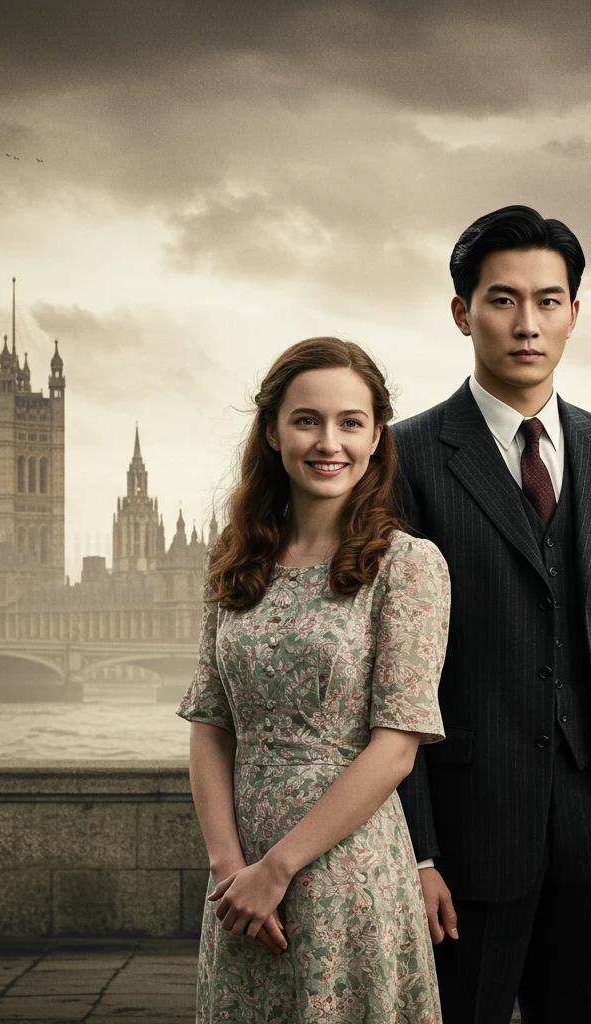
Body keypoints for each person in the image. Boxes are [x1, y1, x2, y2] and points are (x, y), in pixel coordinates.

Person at [394, 206, 591, 1023]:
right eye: (504, 300)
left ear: (575, 314)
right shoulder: (406, 457)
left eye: (549, 301)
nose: (529, 324)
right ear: (463, 313)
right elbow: (394, 675)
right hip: (468, 833)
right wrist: (418, 849)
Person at [178, 337, 450, 1023]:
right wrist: (229, 871)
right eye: (307, 420)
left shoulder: (408, 566)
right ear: (272, 432)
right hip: (239, 886)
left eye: (350, 422)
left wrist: (278, 869)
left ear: (376, 435)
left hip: (345, 870)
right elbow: (211, 725)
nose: (329, 442)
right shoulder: (237, 562)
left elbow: (396, 748)